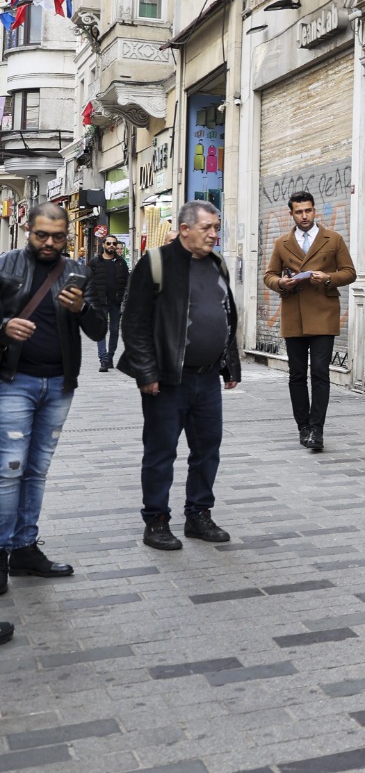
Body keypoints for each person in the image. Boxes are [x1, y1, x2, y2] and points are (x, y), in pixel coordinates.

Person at [119, 200, 240, 551]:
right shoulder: (155, 263)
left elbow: (226, 316)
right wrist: (146, 372)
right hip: (167, 378)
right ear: (185, 229)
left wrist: (229, 365)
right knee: (161, 452)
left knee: (207, 449)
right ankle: (156, 520)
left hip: (206, 378)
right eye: (208, 228)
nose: (215, 235)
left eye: (217, 228)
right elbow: (134, 323)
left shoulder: (217, 264)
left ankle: (199, 514)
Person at [0, 203, 107, 589]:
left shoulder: (78, 270)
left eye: (58, 237)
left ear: (67, 236)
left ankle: (25, 548)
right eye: (41, 235)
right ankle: (1, 554)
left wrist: (82, 308)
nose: (49, 243)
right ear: (28, 230)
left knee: (37, 471)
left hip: (59, 385)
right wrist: (5, 327)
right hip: (14, 382)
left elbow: (99, 330)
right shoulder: (6, 266)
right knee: (9, 470)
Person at [262, 191, 355, 453]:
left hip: (324, 314)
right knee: (297, 375)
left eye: (309, 211)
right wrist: (281, 282)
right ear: (291, 214)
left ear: (315, 211)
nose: (305, 216)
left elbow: (350, 273)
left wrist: (327, 277)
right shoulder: (282, 242)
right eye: (299, 211)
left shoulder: (333, 239)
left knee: (320, 374)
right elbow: (268, 275)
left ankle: (317, 430)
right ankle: (303, 427)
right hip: (293, 314)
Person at [88, 236, 130, 372]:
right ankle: (103, 360)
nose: (111, 245)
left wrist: (126, 299)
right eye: (109, 243)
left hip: (116, 303)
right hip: (100, 303)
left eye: (114, 243)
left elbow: (127, 283)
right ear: (103, 245)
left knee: (114, 331)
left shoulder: (121, 262)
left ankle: (110, 357)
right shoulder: (94, 262)